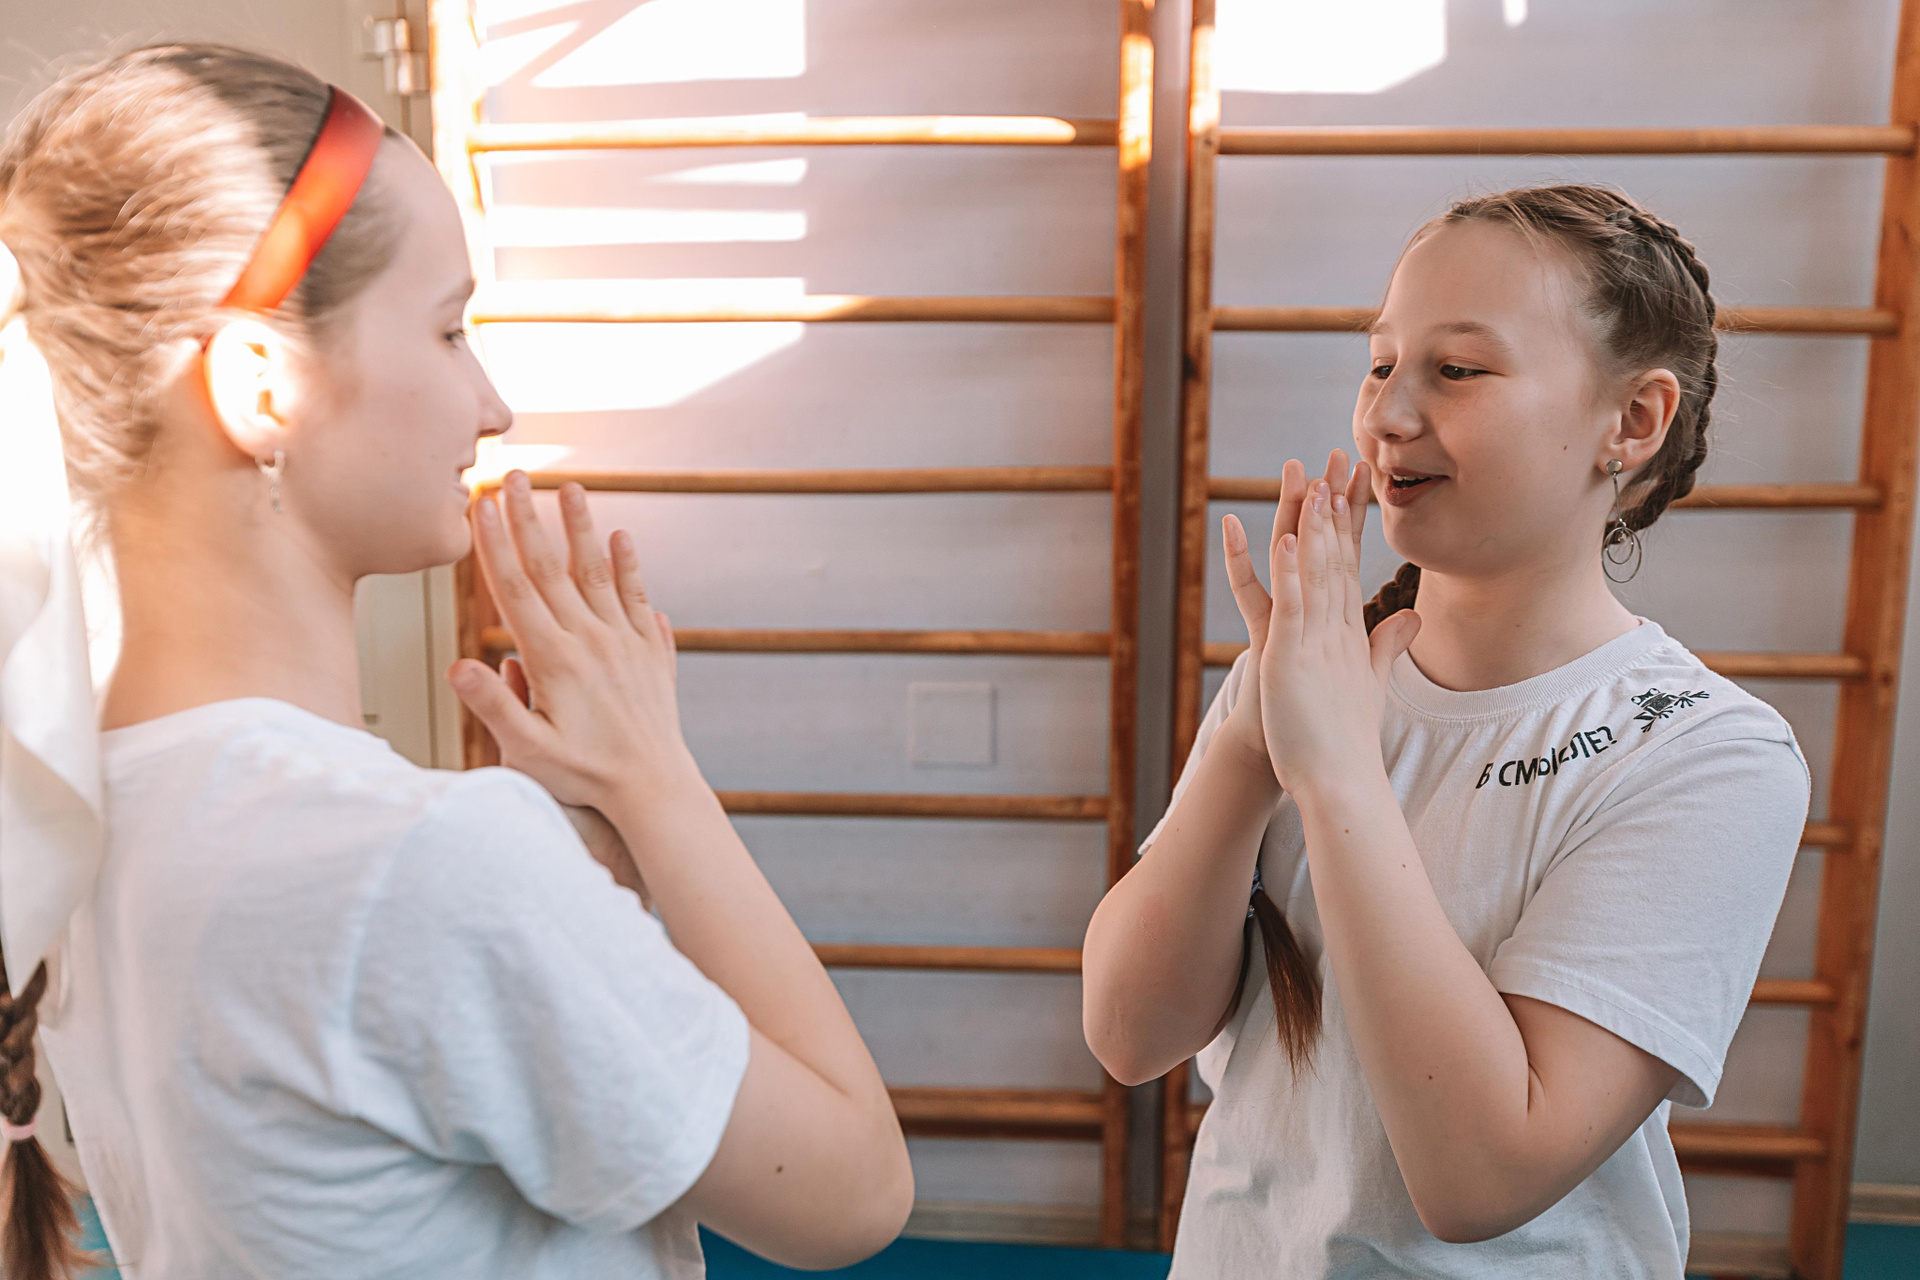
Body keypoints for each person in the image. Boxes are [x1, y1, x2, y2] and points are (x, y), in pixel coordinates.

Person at [0, 44, 912, 1280]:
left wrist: (569, 876)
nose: (492, 404)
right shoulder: (418, 862)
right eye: (448, 328)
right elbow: (855, 1191)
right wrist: (655, 776)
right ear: (262, 385)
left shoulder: (72, 820)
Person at [1081, 184, 1810, 1277]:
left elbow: (1481, 1177)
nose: (1387, 414)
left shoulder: (1708, 754)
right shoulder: (1310, 672)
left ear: (1633, 421)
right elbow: (1132, 1036)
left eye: (1458, 369)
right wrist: (1250, 742)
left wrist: (1337, 774)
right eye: (1382, 363)